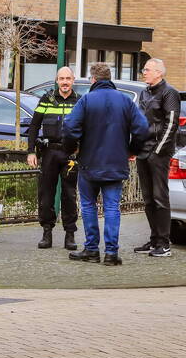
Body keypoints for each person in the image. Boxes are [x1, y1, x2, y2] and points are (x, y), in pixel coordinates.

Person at [62, 62, 149, 266]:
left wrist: (71, 148)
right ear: (109, 79)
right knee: (112, 208)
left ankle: (92, 250)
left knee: (89, 206)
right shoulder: (125, 101)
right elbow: (143, 129)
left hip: (89, 163)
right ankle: (111, 253)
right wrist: (131, 149)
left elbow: (69, 126)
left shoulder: (87, 100)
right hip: (116, 163)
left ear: (93, 79)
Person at [26, 66, 80, 250]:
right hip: (49, 152)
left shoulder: (80, 101)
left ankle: (70, 235)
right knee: (46, 194)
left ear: (73, 80)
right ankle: (46, 232)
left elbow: (87, 128)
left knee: (69, 195)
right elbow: (34, 126)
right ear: (57, 81)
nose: (65, 82)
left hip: (71, 154)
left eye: (68, 79)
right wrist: (31, 151)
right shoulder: (47, 99)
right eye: (61, 79)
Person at [134, 58, 181, 258]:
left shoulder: (169, 93)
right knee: (147, 199)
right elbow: (138, 120)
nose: (144, 72)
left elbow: (171, 124)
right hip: (143, 150)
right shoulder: (145, 92)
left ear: (159, 72)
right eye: (144, 69)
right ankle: (154, 239)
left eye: (147, 69)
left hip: (158, 152)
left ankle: (164, 242)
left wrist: (158, 151)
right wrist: (134, 147)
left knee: (160, 197)